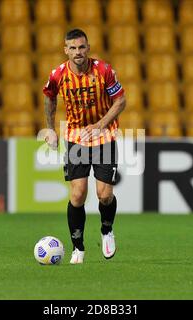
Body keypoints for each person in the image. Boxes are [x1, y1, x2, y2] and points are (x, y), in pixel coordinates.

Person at [43, 29, 126, 264]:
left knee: (104, 195)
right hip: (76, 138)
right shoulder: (58, 74)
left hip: (104, 136)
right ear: (65, 50)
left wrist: (100, 124)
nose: (78, 52)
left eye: (81, 47)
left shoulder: (104, 70)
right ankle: (78, 248)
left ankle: (107, 230)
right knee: (78, 195)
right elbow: (49, 97)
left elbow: (120, 101)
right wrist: (50, 128)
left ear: (88, 48)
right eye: (73, 48)